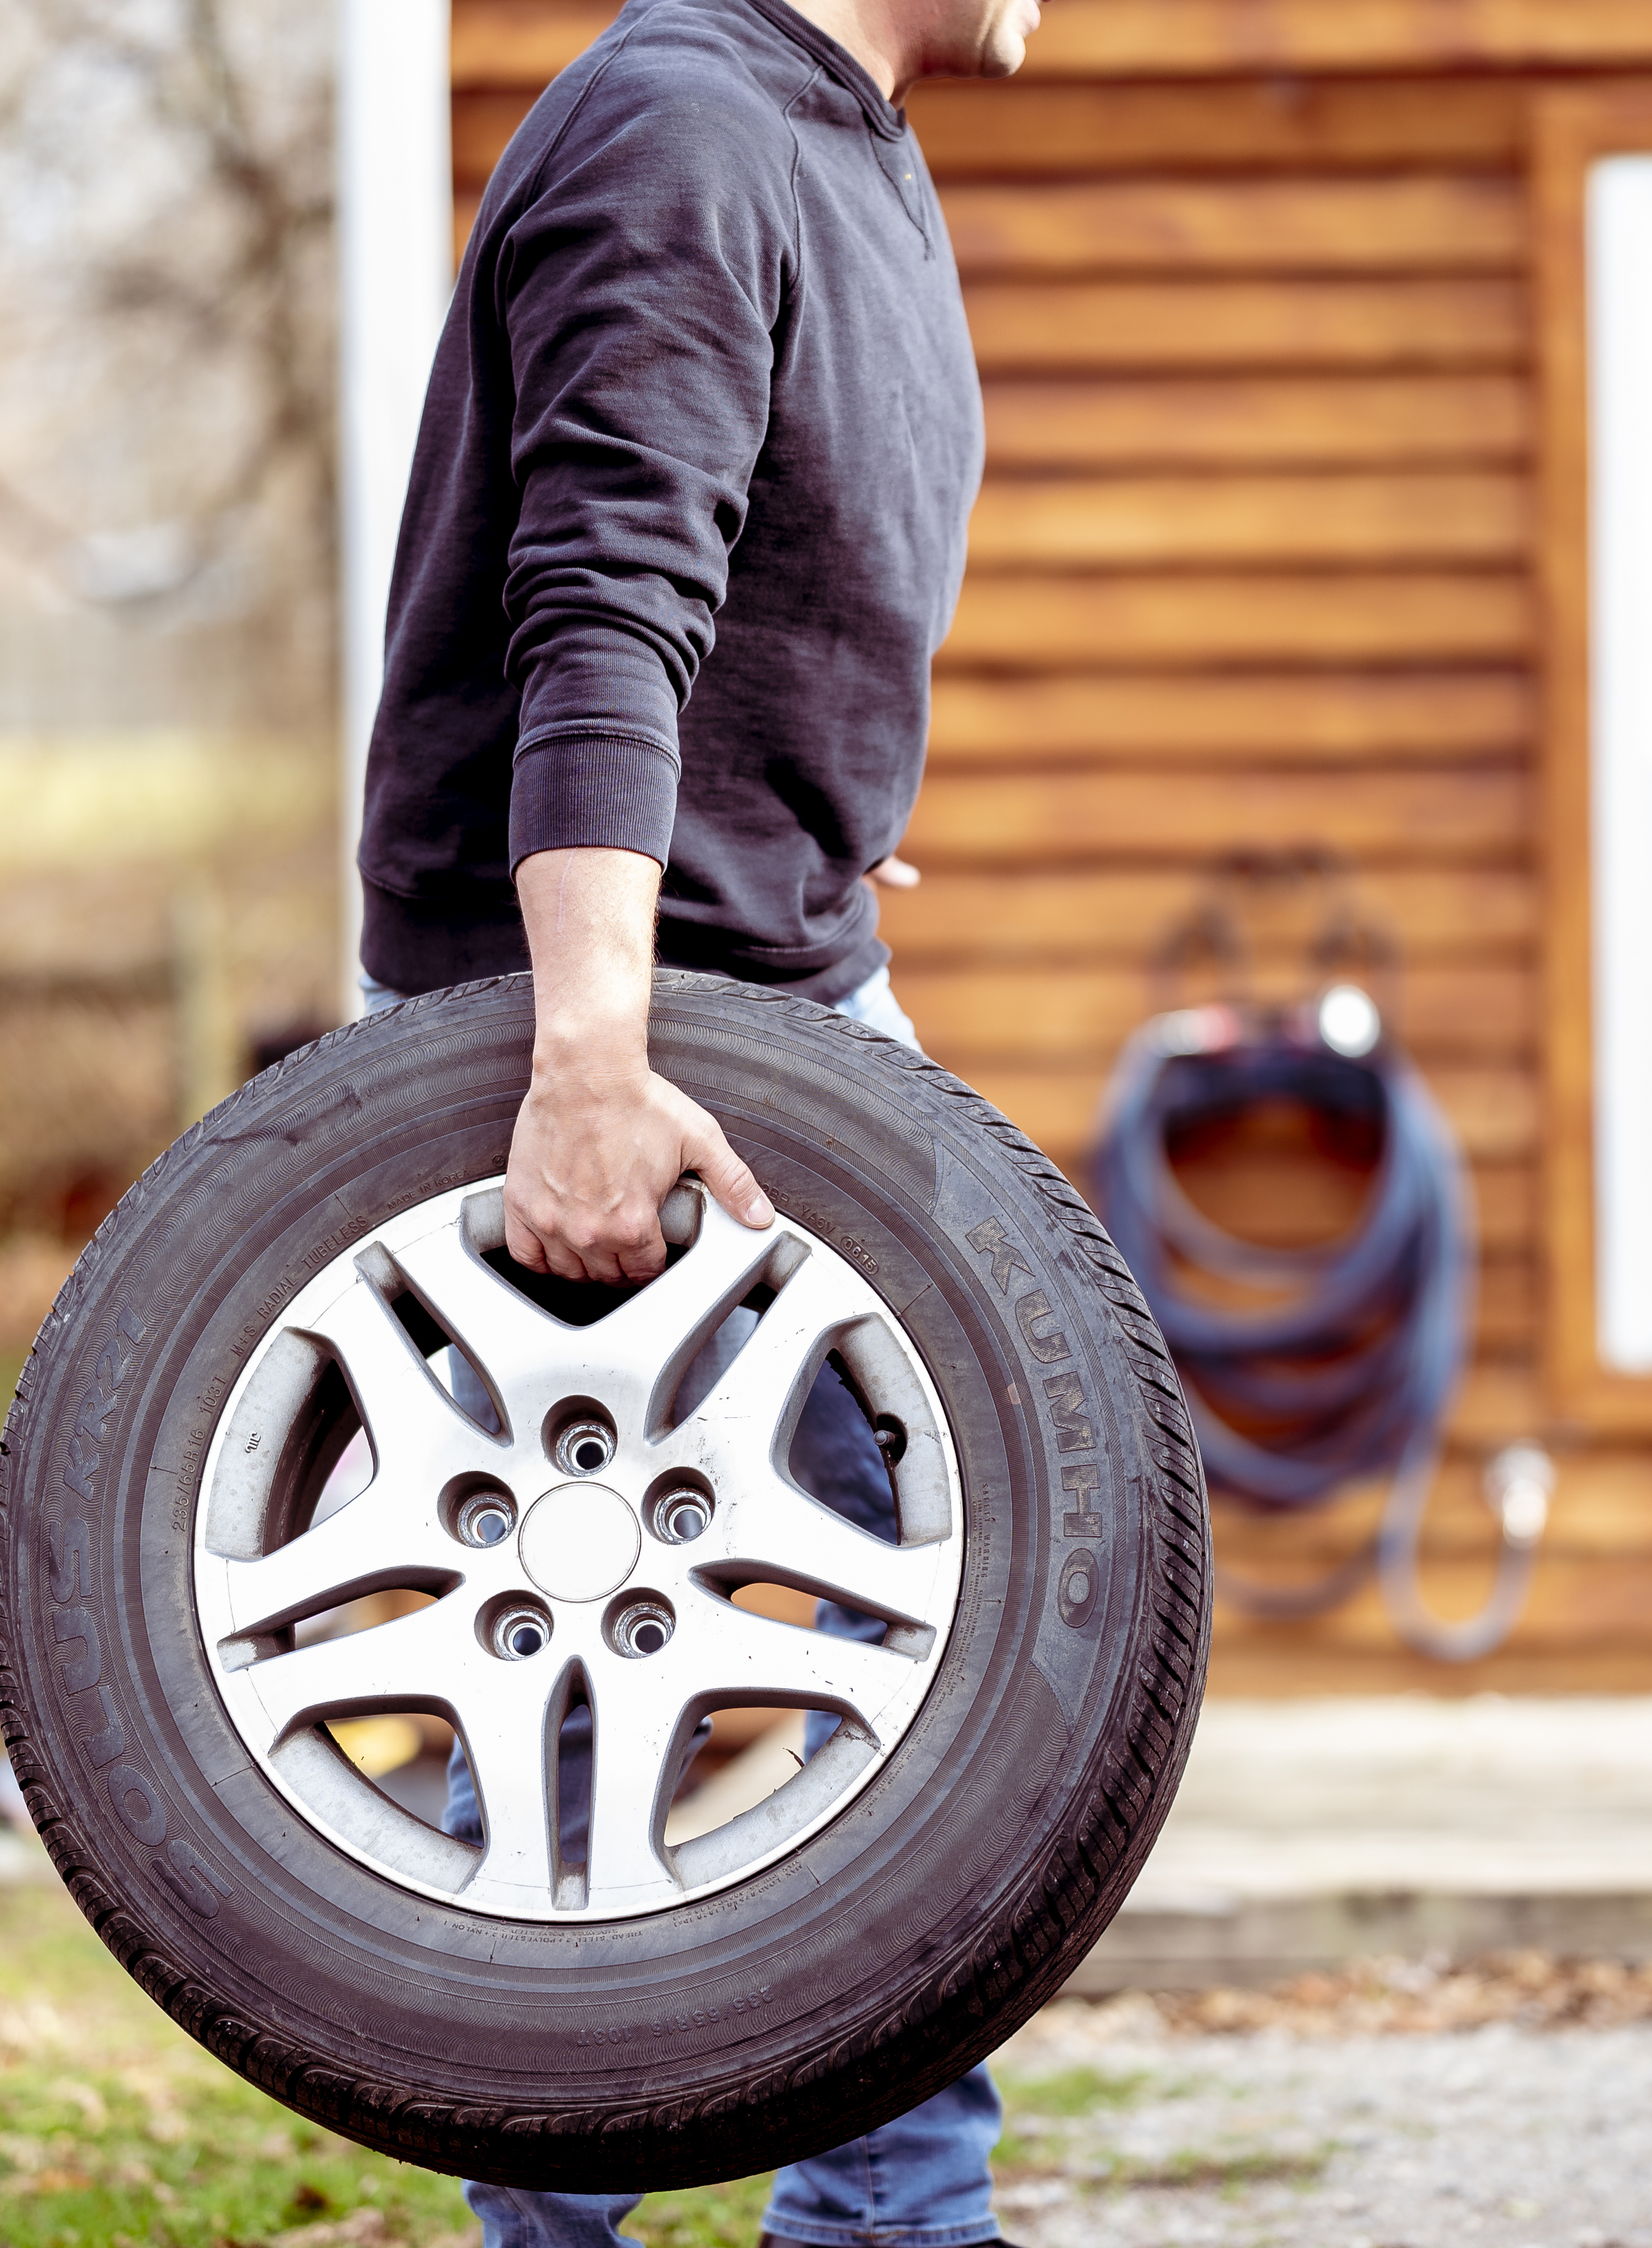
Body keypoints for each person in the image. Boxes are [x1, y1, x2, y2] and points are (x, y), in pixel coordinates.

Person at [351, 0, 1043, 2244]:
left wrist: (807, 823)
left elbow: (772, 592)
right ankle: (776, 2220)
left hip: (791, 974)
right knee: (598, 1624)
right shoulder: (682, 135)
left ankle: (869, 2210)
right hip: (629, 1024)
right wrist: (582, 1061)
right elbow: (606, 611)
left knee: (930, 1616)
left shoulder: (845, 144)